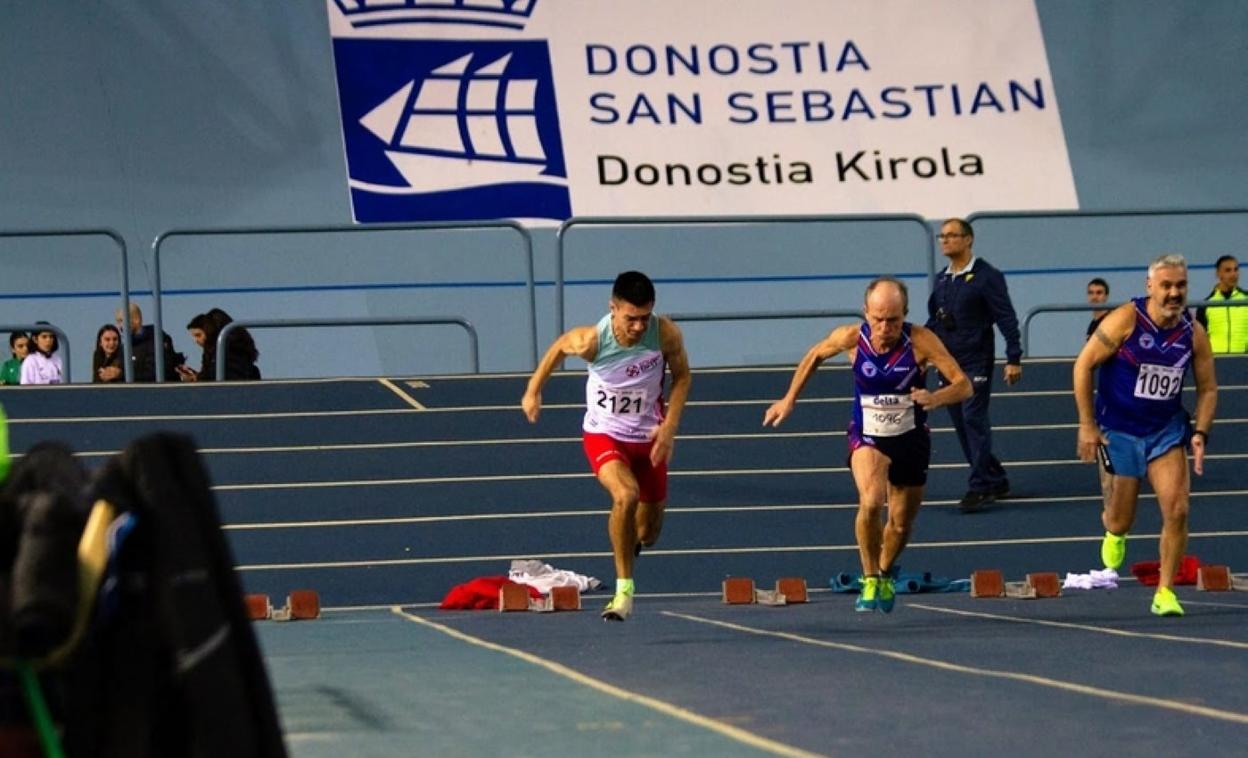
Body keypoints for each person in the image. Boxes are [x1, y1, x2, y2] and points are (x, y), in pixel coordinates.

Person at [764, 277, 971, 613]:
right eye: (878, 318)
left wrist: (936, 396)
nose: (885, 327)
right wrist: (789, 399)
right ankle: (870, 576)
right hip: (867, 436)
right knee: (871, 501)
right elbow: (815, 354)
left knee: (901, 523)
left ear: (905, 314)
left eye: (893, 319)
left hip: (911, 439)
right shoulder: (851, 338)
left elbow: (964, 385)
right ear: (866, 313)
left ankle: (886, 572)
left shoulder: (920, 341)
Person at [521, 271, 691, 622]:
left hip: (649, 438)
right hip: (605, 434)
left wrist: (670, 425)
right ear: (612, 309)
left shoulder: (666, 334)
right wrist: (533, 390)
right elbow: (557, 349)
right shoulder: (591, 341)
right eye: (631, 319)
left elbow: (683, 376)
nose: (639, 327)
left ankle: (629, 547)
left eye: (645, 318)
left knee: (648, 532)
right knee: (625, 496)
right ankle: (623, 591)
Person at [1074, 253, 1217, 617]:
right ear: (1150, 286)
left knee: (1178, 508)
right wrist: (1087, 424)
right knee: (1121, 518)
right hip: (1119, 431)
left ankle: (1165, 591)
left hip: (1165, 431)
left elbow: (1208, 388)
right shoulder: (1125, 320)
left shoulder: (1193, 333)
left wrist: (1200, 430)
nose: (1174, 293)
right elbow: (1083, 365)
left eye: (1180, 286)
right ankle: (1115, 533)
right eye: (1166, 286)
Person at [926, 218, 1023, 513]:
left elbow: (1005, 316)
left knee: (973, 419)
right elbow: (935, 320)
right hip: (949, 363)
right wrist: (921, 352)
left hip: (976, 360)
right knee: (961, 423)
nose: (945, 240)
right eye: (942, 236)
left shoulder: (986, 276)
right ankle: (995, 478)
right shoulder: (943, 279)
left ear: (968, 240)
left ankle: (979, 486)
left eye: (952, 235)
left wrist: (1013, 357)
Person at [177, 309, 261, 382]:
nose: (196, 341)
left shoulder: (229, 352)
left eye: (198, 335)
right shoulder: (235, 349)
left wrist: (197, 378)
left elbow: (221, 378)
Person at [116, 303, 185, 382]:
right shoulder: (125, 347)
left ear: (137, 319)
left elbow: (157, 372)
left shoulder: (157, 340)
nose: (120, 326)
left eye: (122, 321)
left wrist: (121, 374)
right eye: (118, 322)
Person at [1194, 255, 1246, 353]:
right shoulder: (1205, 305)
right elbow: (1199, 340)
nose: (1233, 274)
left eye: (1236, 270)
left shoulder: (1246, 300)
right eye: (1228, 270)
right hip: (1217, 361)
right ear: (1218, 274)